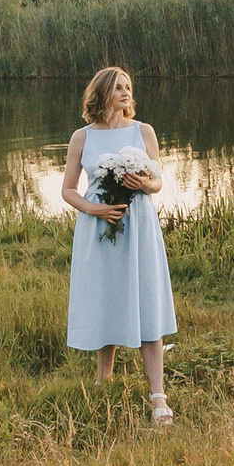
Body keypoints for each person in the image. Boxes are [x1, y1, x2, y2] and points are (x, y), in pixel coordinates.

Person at [59, 65, 177, 424]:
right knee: (104, 295)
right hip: (99, 227)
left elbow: (158, 183)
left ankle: (158, 395)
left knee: (146, 299)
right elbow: (67, 189)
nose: (126, 93)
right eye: (118, 88)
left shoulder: (144, 131)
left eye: (128, 87)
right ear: (102, 94)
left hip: (139, 224)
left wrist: (143, 184)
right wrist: (95, 208)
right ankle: (103, 379)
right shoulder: (82, 137)